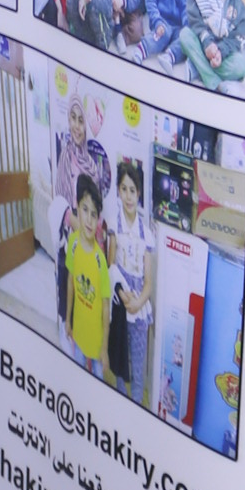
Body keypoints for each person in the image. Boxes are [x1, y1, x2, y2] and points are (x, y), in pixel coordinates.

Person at [108, 158, 155, 402]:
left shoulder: (146, 234)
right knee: (119, 360)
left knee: (137, 365)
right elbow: (111, 266)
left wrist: (138, 302)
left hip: (138, 307)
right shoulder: (114, 225)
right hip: (120, 302)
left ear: (139, 194)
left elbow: (149, 282)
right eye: (124, 189)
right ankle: (119, 401)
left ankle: (135, 404)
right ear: (118, 190)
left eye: (132, 190)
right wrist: (122, 295)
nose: (128, 196)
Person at [62, 170, 111, 378]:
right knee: (79, 380)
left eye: (94, 214)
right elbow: (71, 282)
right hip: (79, 336)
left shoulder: (100, 261)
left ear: (98, 219)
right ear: (77, 208)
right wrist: (68, 320)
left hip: (97, 345)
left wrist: (104, 349)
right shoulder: (73, 242)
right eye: (85, 210)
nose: (89, 220)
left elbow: (106, 308)